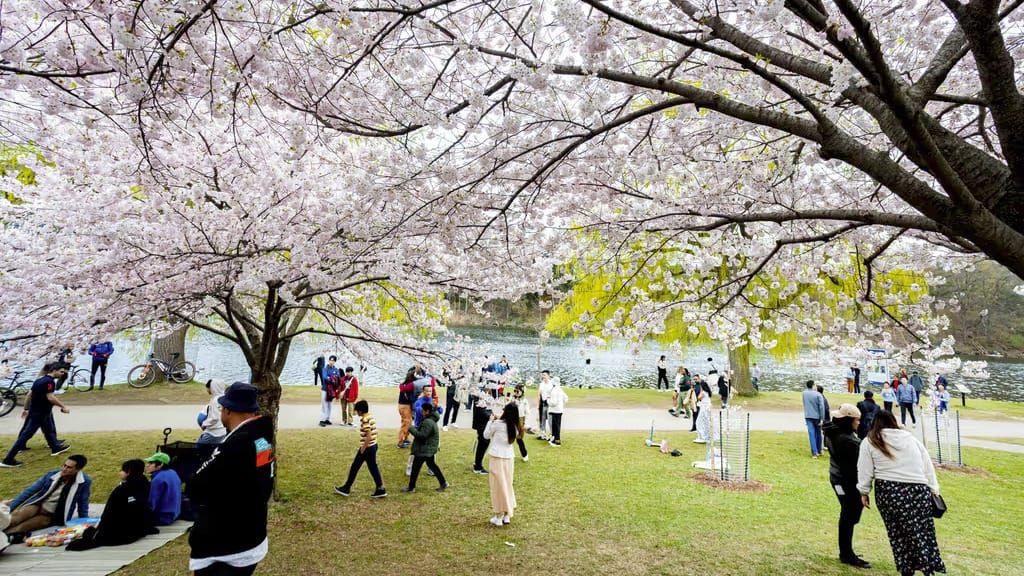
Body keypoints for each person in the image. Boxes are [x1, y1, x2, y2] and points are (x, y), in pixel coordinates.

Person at [189, 382, 275, 576]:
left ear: (228, 411)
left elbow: (195, 487)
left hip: (228, 544)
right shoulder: (261, 439)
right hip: (253, 534)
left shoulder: (235, 446)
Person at [858, 411, 945, 576]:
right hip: (919, 490)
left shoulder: (870, 441)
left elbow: (865, 470)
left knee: (898, 532)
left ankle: (907, 568)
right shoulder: (911, 439)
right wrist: (933, 488)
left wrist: (864, 491)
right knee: (922, 530)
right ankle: (927, 566)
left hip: (890, 491)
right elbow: (927, 464)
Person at [822, 404, 870, 569]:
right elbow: (858, 466)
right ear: (848, 420)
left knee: (847, 516)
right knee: (849, 516)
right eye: (856, 420)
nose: (858, 423)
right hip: (846, 482)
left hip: (837, 478)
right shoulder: (847, 440)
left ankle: (846, 551)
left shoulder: (831, 432)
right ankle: (846, 554)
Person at [67, 459, 151, 551]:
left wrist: (98, 531)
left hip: (121, 533)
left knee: (88, 532)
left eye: (122, 470)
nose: (120, 473)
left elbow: (109, 514)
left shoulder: (121, 490)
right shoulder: (145, 484)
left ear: (129, 472)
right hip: (137, 530)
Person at [3, 455, 90, 542]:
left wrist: (84, 523)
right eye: (64, 465)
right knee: (16, 517)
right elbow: (29, 491)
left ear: (77, 470)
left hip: (50, 515)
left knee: (22, 527)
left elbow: (83, 503)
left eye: (69, 467)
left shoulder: (83, 482)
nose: (64, 469)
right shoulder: (52, 475)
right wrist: (9, 508)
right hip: (37, 505)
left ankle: (3, 537)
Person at [1, 362, 72, 467]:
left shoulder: (40, 380)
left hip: (39, 411)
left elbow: (29, 395)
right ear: (54, 370)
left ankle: (55, 448)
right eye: (61, 372)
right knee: (26, 435)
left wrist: (26, 408)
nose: (62, 374)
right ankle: (8, 459)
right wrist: (63, 406)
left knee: (49, 430)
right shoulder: (49, 382)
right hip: (40, 413)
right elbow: (50, 397)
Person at [335, 400, 387, 498]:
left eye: (356, 410)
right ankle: (380, 488)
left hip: (367, 447)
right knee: (373, 468)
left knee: (355, 467)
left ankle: (346, 488)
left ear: (360, 411)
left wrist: (363, 449)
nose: (356, 412)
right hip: (373, 446)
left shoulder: (364, 420)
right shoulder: (370, 416)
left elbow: (369, 436)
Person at [484, 402, 519, 526]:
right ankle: (506, 515)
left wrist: (491, 421)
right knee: (507, 485)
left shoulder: (498, 424)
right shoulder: (515, 426)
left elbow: (486, 435)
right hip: (509, 457)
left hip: (497, 456)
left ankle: (498, 515)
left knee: (497, 486)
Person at [403, 403, 449, 493]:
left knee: (415, 468)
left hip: (424, 450)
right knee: (433, 466)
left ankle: (411, 487)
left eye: (423, 410)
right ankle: (443, 483)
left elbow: (422, 436)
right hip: (428, 449)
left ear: (427, 411)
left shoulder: (428, 422)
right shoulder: (431, 420)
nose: (421, 412)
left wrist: (411, 428)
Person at [145, 452, 181, 526]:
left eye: (151, 463)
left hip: (163, 517)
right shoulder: (173, 472)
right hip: (175, 513)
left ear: (160, 464)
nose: (147, 465)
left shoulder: (158, 479)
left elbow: (152, 504)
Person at [197, 379, 228, 446]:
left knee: (199, 447)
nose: (207, 390)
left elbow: (214, 418)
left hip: (214, 432)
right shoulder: (224, 398)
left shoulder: (215, 400)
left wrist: (204, 424)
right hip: (223, 431)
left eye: (208, 388)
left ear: (213, 387)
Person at [802, 380, 826, 458]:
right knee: (818, 433)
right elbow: (821, 407)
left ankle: (814, 452)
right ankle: (819, 450)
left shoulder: (804, 393)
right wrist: (822, 418)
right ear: (813, 385)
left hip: (808, 415)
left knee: (811, 434)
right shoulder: (818, 395)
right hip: (817, 416)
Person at [397, 368, 416, 448]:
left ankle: (405, 438)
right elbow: (411, 398)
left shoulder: (404, 385)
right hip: (405, 406)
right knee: (406, 423)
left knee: (407, 422)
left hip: (402, 405)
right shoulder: (410, 386)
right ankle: (400, 442)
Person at [546, 376, 568, 447]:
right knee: (556, 426)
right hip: (559, 410)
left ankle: (557, 442)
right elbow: (566, 398)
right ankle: (554, 439)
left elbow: (553, 402)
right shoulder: (560, 389)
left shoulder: (554, 390)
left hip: (554, 411)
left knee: (555, 427)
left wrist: (548, 400)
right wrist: (561, 404)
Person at [319, 355, 341, 427]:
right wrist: (332, 378)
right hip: (325, 389)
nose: (331, 362)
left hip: (332, 390)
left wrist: (331, 378)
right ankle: (322, 420)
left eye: (333, 360)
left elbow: (338, 379)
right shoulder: (325, 369)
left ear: (335, 361)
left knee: (330, 405)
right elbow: (325, 378)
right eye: (330, 360)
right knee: (324, 404)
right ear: (328, 360)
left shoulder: (336, 370)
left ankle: (327, 419)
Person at [511, 385, 530, 461]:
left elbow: (527, 412)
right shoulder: (512, 399)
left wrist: (525, 423)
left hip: (520, 419)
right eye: (514, 391)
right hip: (511, 419)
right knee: (509, 437)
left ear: (522, 392)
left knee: (519, 438)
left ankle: (524, 454)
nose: (516, 392)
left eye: (517, 391)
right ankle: (509, 454)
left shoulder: (524, 400)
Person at [694, 378, 713, 444]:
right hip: (707, 409)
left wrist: (700, 391)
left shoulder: (703, 392)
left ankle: (702, 437)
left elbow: (698, 398)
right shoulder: (708, 392)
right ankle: (705, 436)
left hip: (704, 409)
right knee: (705, 422)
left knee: (699, 422)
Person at [537, 370, 553, 439]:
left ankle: (552, 434)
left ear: (548, 376)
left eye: (545, 375)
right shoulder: (541, 384)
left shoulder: (551, 384)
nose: (543, 376)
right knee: (542, 419)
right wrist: (538, 405)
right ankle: (542, 434)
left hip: (549, 404)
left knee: (550, 420)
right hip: (543, 404)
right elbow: (539, 394)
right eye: (542, 375)